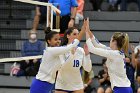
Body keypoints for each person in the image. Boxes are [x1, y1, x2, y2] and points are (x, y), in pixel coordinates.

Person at [30, 20, 87, 93]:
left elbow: (67, 55)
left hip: (49, 85)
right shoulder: (50, 50)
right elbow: (71, 46)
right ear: (49, 41)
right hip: (40, 84)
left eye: (59, 39)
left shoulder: (59, 52)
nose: (58, 41)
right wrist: (82, 31)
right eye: (55, 39)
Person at [85, 18, 132, 93]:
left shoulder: (114, 54)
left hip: (121, 89)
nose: (109, 41)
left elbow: (91, 49)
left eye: (110, 39)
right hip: (123, 88)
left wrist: (86, 33)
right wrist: (88, 31)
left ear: (114, 42)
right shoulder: (116, 52)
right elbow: (97, 44)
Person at [55, 27, 92, 93]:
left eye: (78, 34)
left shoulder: (81, 50)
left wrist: (87, 55)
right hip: (62, 85)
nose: (77, 36)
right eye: (74, 34)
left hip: (77, 86)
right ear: (68, 36)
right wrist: (72, 54)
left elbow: (88, 69)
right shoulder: (61, 49)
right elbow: (63, 67)